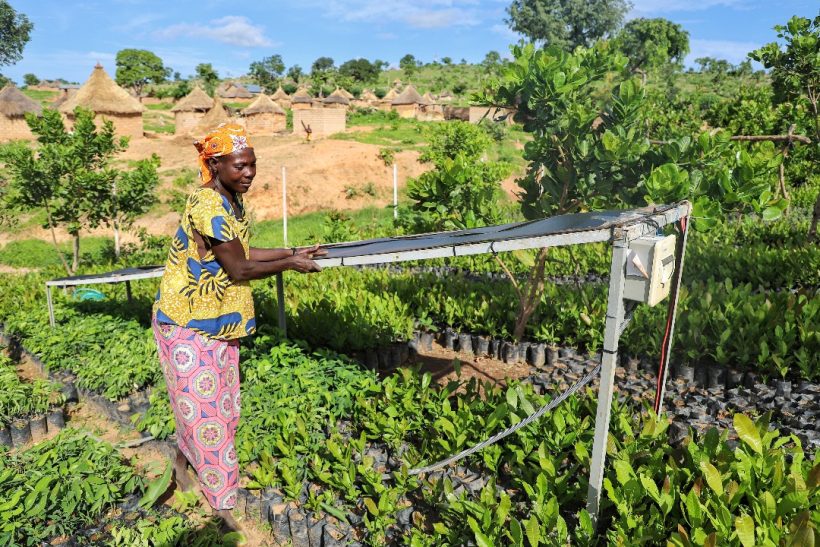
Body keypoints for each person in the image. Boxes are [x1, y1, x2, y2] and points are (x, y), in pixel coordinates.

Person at [151, 123, 324, 530]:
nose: (249, 173)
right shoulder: (208, 204)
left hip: (217, 320)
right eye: (240, 166)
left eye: (253, 166)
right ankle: (223, 504)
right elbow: (241, 266)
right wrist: (292, 264)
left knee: (219, 407)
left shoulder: (231, 201)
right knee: (207, 410)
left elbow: (242, 250)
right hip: (188, 321)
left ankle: (183, 464)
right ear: (215, 165)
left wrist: (291, 250)